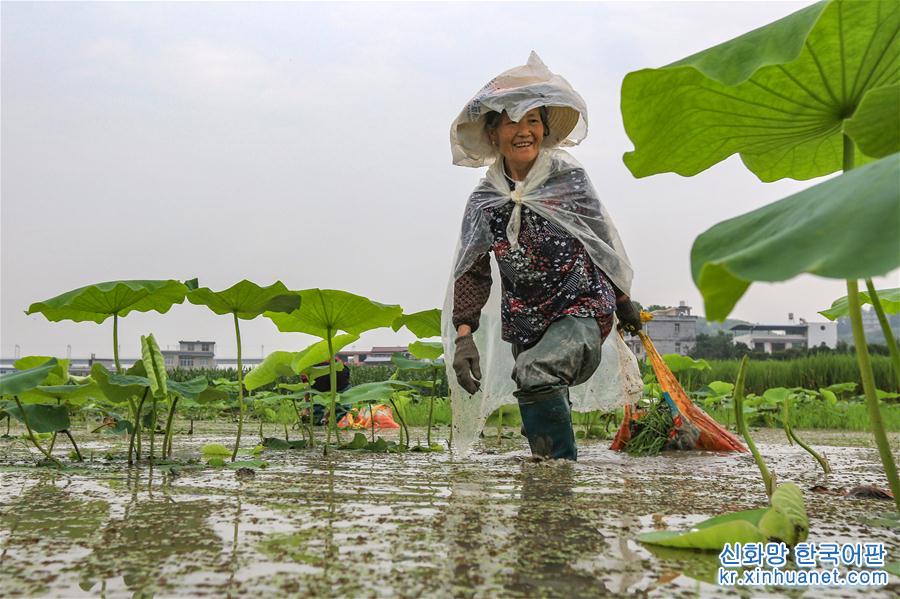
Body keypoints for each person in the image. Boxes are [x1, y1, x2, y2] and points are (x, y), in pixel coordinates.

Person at [446, 53, 642, 461]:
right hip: (525, 318)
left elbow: (600, 239)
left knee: (536, 374)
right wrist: (464, 335)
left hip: (581, 307)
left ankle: (557, 475)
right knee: (540, 387)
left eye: (533, 121)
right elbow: (472, 269)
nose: (524, 131)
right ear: (493, 133)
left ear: (544, 130)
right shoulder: (484, 201)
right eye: (512, 121)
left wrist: (623, 301)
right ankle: (549, 495)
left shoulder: (567, 179)